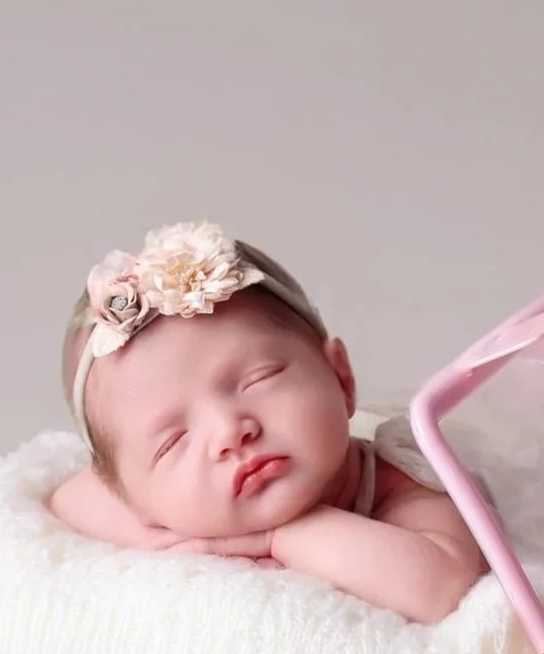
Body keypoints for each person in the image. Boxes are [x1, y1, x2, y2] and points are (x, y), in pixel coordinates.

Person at [47, 221, 486, 625]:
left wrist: (278, 536)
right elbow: (70, 501)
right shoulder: (153, 502)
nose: (229, 432)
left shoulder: (396, 482)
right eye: (173, 441)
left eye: (259, 380)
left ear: (341, 377)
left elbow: (444, 588)